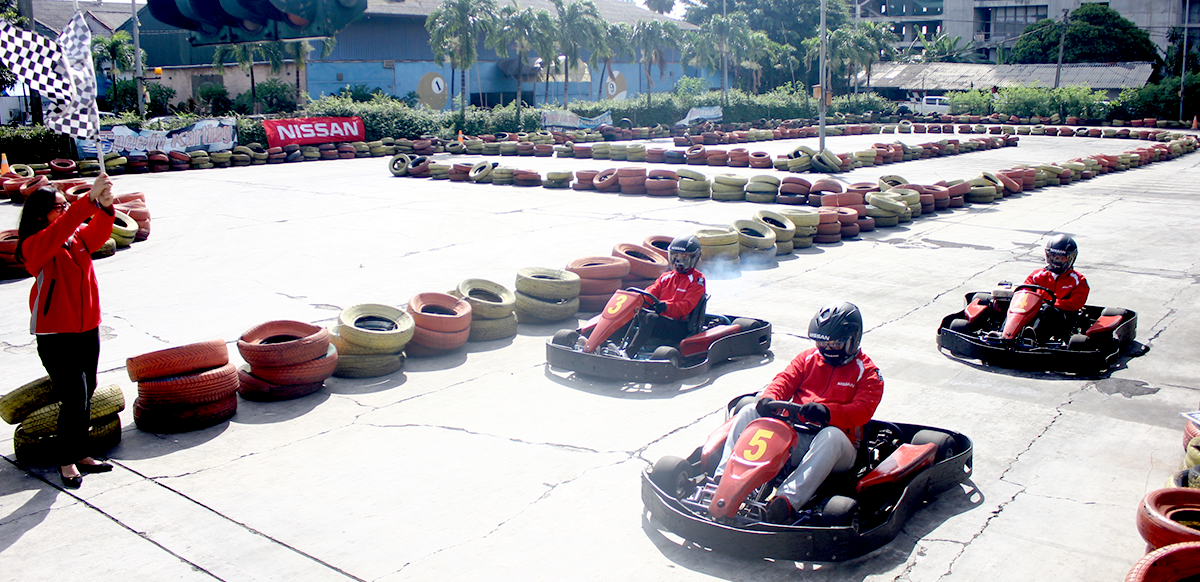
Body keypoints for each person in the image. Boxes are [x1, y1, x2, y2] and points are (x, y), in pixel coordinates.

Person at [715, 302, 884, 524]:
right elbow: (783, 380)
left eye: (834, 343)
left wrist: (826, 412)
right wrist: (769, 398)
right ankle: (723, 478)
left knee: (830, 436)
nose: (827, 349)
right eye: (823, 343)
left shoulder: (868, 372)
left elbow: (862, 411)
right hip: (795, 434)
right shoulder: (807, 359)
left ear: (852, 340)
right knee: (748, 411)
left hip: (840, 448)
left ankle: (786, 501)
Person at [15, 174, 117, 489]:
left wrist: (105, 207)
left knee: (87, 391)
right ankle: (65, 460)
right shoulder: (35, 245)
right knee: (74, 397)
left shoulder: (76, 237)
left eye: (64, 205)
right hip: (55, 334)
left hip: (87, 327)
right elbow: (61, 228)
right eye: (57, 207)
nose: (63, 211)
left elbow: (98, 234)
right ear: (39, 215)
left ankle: (81, 452)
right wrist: (85, 203)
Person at [622, 235, 706, 354]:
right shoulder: (666, 277)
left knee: (651, 317)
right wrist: (633, 300)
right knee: (631, 313)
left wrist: (666, 306)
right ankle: (604, 344)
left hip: (680, 326)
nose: (679, 260)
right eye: (676, 255)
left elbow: (686, 306)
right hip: (663, 320)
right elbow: (649, 294)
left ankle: (628, 353)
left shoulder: (697, 280)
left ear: (693, 257)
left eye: (684, 256)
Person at [1024, 234, 1089, 341]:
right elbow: (1024, 292)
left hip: (1063, 318)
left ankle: (1033, 339)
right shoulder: (1037, 275)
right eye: (1054, 256)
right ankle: (1005, 334)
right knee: (1017, 305)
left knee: (1047, 310)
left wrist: (1051, 303)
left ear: (1070, 258)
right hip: (1036, 312)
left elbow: (1076, 303)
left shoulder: (1078, 279)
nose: (1056, 260)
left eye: (1061, 258)